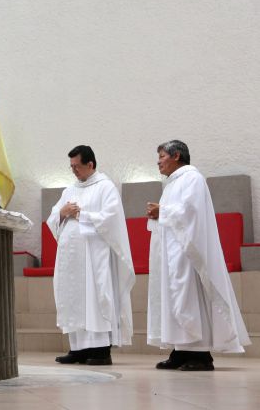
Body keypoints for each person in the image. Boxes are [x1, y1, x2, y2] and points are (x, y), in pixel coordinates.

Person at [146, 140, 250, 370]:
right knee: (174, 297)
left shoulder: (192, 178)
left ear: (176, 156)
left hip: (189, 251)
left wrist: (162, 211)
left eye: (162, 156)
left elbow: (190, 212)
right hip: (173, 251)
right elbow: (175, 215)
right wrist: (159, 215)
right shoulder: (173, 183)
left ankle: (201, 355)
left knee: (189, 297)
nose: (158, 161)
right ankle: (181, 350)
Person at [48, 145, 135, 365]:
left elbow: (111, 218)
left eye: (77, 166)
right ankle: (77, 348)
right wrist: (62, 213)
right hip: (71, 258)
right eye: (71, 167)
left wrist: (81, 214)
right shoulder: (69, 190)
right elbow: (53, 217)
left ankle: (100, 351)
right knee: (73, 298)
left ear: (90, 164)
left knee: (94, 298)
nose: (74, 171)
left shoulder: (105, 187)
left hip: (93, 256)